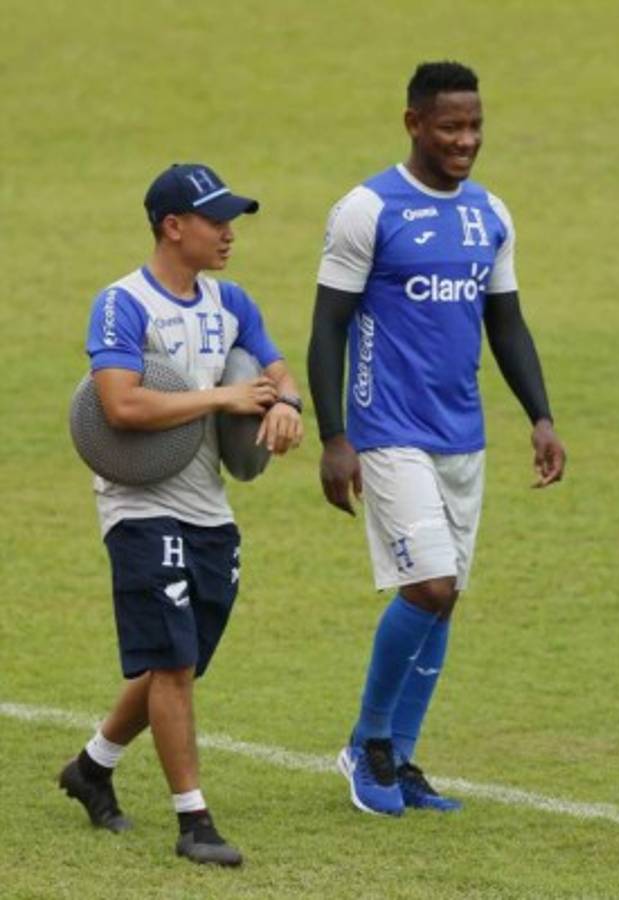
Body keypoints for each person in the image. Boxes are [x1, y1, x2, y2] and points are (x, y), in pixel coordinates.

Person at [307, 61, 566, 817]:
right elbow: (328, 325)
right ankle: (368, 742)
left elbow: (505, 322)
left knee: (445, 599)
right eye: (450, 126)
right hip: (387, 430)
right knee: (429, 586)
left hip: (462, 434)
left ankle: (404, 759)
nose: (466, 140)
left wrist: (540, 416)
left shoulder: (490, 214)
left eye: (475, 125)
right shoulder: (366, 208)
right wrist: (333, 437)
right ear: (413, 123)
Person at [59, 163, 303, 864]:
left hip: (209, 512)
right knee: (169, 663)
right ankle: (194, 822)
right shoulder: (121, 304)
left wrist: (285, 404)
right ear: (173, 227)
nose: (229, 233)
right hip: (139, 508)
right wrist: (222, 400)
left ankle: (92, 767)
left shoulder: (232, 302)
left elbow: (277, 369)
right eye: (215, 220)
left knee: (182, 662)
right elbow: (120, 405)